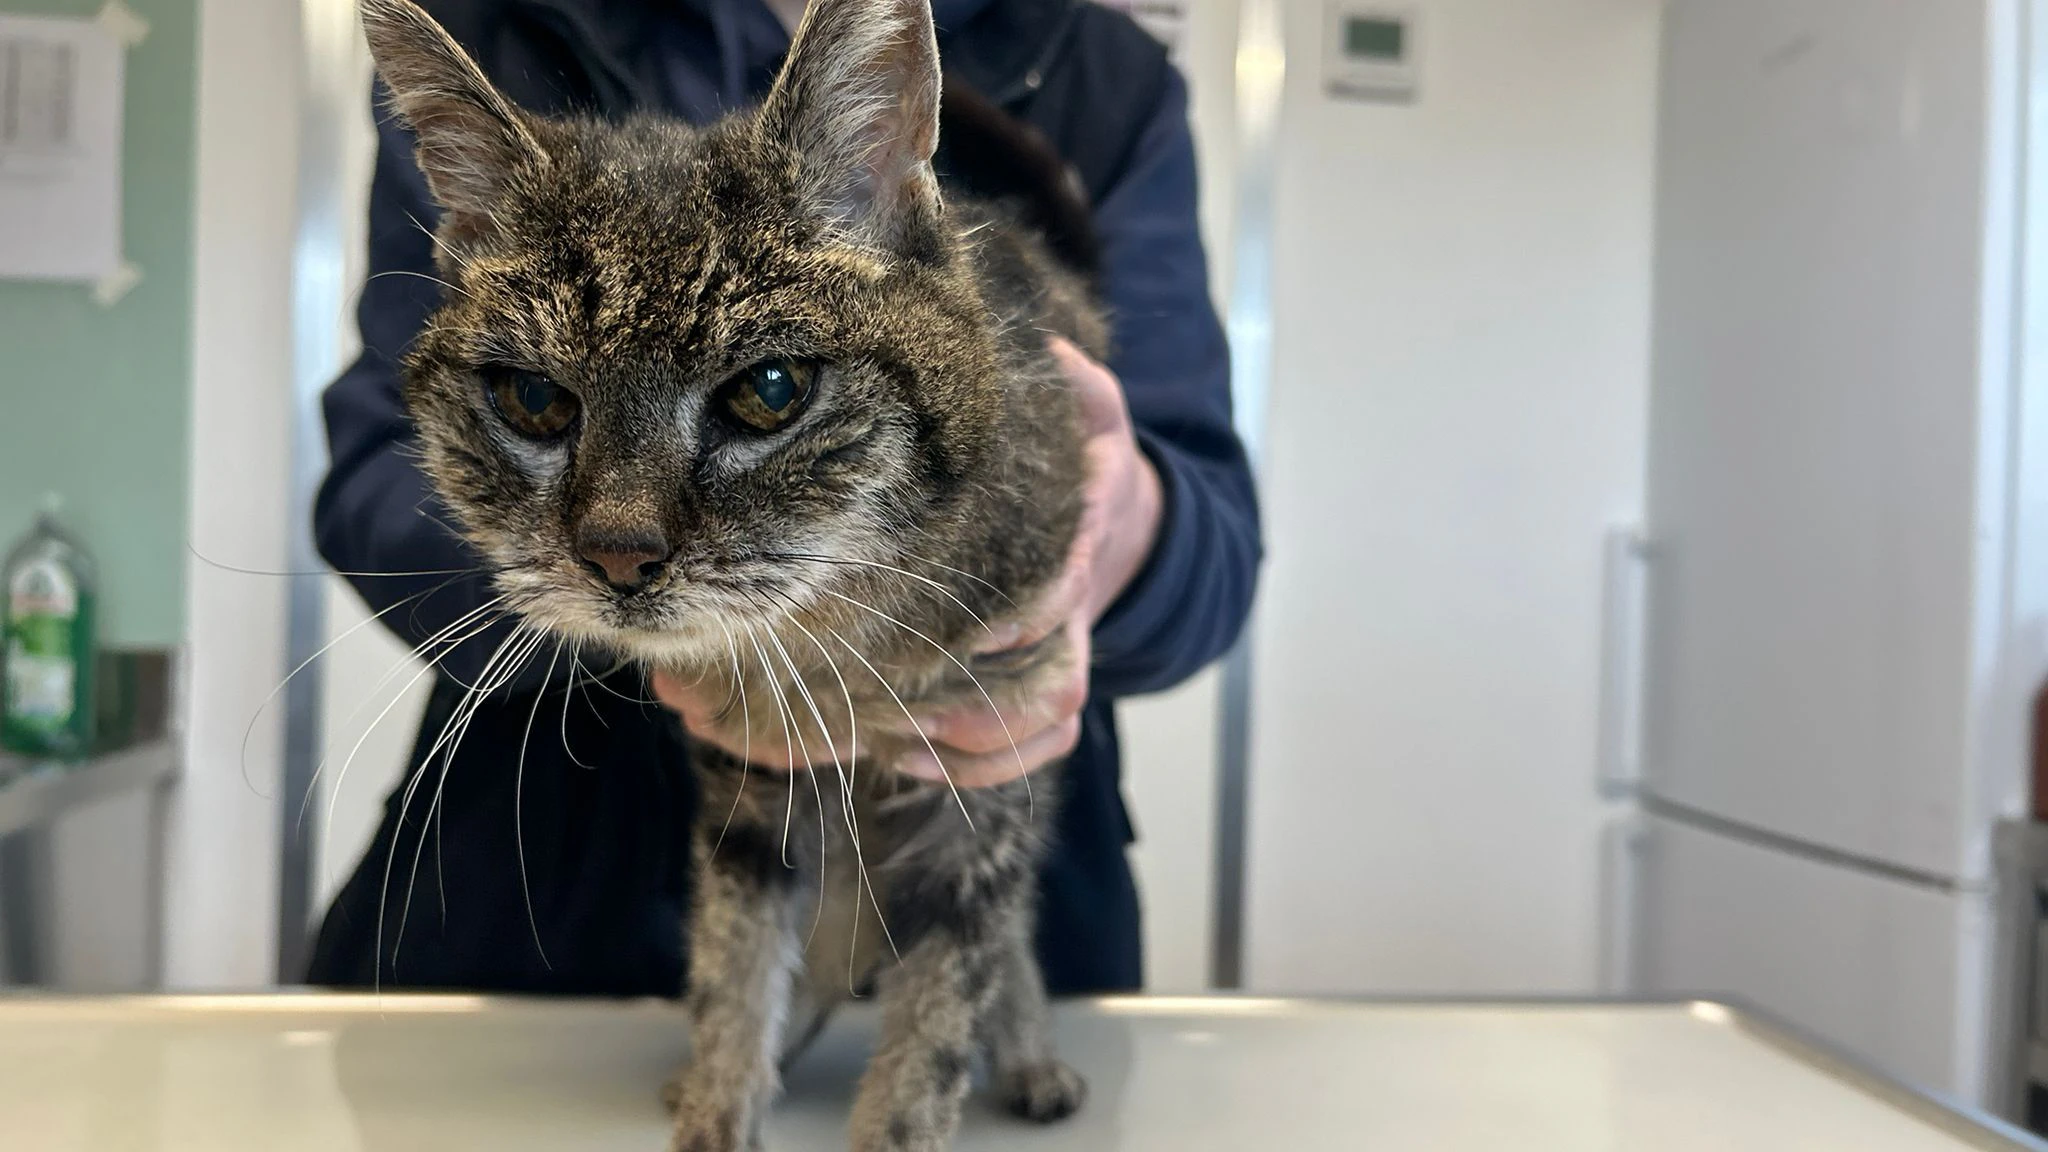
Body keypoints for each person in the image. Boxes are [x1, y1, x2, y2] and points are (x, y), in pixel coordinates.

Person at [308, 0, 1262, 998]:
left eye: (764, 394)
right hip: (543, 900)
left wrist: (1101, 532)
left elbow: (1215, 559)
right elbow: (379, 473)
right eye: (537, 400)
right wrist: (635, 620)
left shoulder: (1096, 73)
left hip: (973, 873)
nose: (629, 528)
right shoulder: (503, 24)